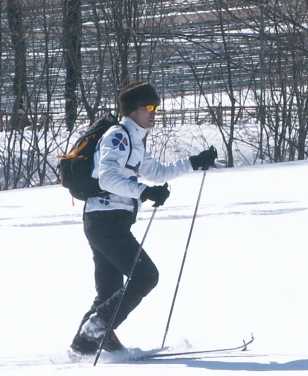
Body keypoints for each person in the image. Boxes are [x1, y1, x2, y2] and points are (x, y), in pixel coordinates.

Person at [69, 81, 218, 356]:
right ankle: (99, 327)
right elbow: (108, 177)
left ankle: (82, 348)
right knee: (146, 275)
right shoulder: (118, 136)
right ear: (132, 111)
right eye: (148, 107)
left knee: (108, 293)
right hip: (105, 221)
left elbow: (157, 172)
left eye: (156, 108)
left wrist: (195, 162)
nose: (153, 113)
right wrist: (143, 191)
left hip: (108, 221)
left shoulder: (133, 140)